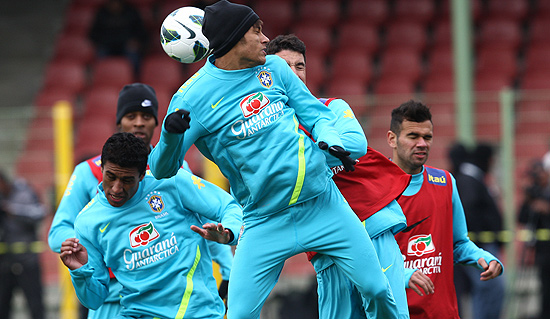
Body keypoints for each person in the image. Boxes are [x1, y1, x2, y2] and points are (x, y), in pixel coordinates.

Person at [148, 1, 399, 318]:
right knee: (239, 315)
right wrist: (170, 136)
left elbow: (318, 116)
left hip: (324, 205)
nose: (267, 39)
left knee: (377, 289)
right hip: (265, 221)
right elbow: (161, 169)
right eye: (257, 31)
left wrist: (331, 141)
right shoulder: (190, 98)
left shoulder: (276, 69)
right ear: (234, 39)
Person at [266, 34, 434, 319]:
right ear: (267, 73)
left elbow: (354, 146)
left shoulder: (333, 107)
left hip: (371, 226)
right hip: (325, 246)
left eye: (300, 66)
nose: (295, 73)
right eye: (285, 66)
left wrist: (293, 163)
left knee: (389, 311)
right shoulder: (263, 129)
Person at [48, 82, 234, 318]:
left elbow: (205, 224)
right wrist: (100, 247)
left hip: (171, 297)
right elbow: (58, 233)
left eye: (146, 116)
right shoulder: (89, 172)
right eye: (131, 115)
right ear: (118, 121)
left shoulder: (173, 172)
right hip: (111, 297)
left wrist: (227, 268)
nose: (138, 122)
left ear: (156, 122)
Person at [387, 100, 504, 319]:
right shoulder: (373, 187)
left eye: (428, 137)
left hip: (442, 312)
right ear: (392, 139)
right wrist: (401, 275)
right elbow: (362, 257)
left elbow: (458, 243)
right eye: (413, 136)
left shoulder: (445, 182)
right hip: (395, 312)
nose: (422, 143)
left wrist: (483, 257)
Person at [453, 143, 505, 319]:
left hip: (481, 245)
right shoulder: (469, 180)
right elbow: (469, 211)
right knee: (489, 287)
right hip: (479, 245)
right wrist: (478, 242)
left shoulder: (473, 179)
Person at [0, 170, 46, 319]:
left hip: (27, 261)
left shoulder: (24, 192)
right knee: (3, 306)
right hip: (5, 262)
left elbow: (40, 213)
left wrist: (12, 210)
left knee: (35, 305)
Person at [518, 160, 550, 319]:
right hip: (542, 251)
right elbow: (522, 218)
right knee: (544, 285)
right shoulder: (535, 194)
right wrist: (528, 198)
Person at [88, 0, 148, 77]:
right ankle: (100, 79)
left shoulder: (131, 12)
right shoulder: (102, 13)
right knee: (100, 55)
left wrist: (136, 42)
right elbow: (93, 34)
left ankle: (135, 79)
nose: (114, 5)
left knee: (134, 56)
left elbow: (141, 32)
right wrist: (101, 42)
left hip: (126, 45)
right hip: (107, 45)